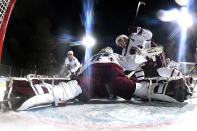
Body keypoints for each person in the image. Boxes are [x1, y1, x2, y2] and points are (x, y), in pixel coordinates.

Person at [2, 47, 189, 111]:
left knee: (67, 89)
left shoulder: (91, 58)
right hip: (112, 72)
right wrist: (143, 58)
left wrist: (74, 79)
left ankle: (26, 92)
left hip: (91, 74)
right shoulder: (114, 56)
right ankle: (171, 89)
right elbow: (131, 62)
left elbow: (78, 73)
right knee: (137, 88)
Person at [115, 26, 181, 79]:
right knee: (161, 72)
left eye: (119, 42)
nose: (120, 45)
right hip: (148, 60)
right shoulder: (124, 53)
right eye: (118, 44)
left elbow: (149, 35)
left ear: (123, 38)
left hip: (154, 51)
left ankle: (181, 77)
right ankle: (173, 66)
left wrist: (138, 30)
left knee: (162, 70)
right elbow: (132, 65)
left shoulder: (133, 37)